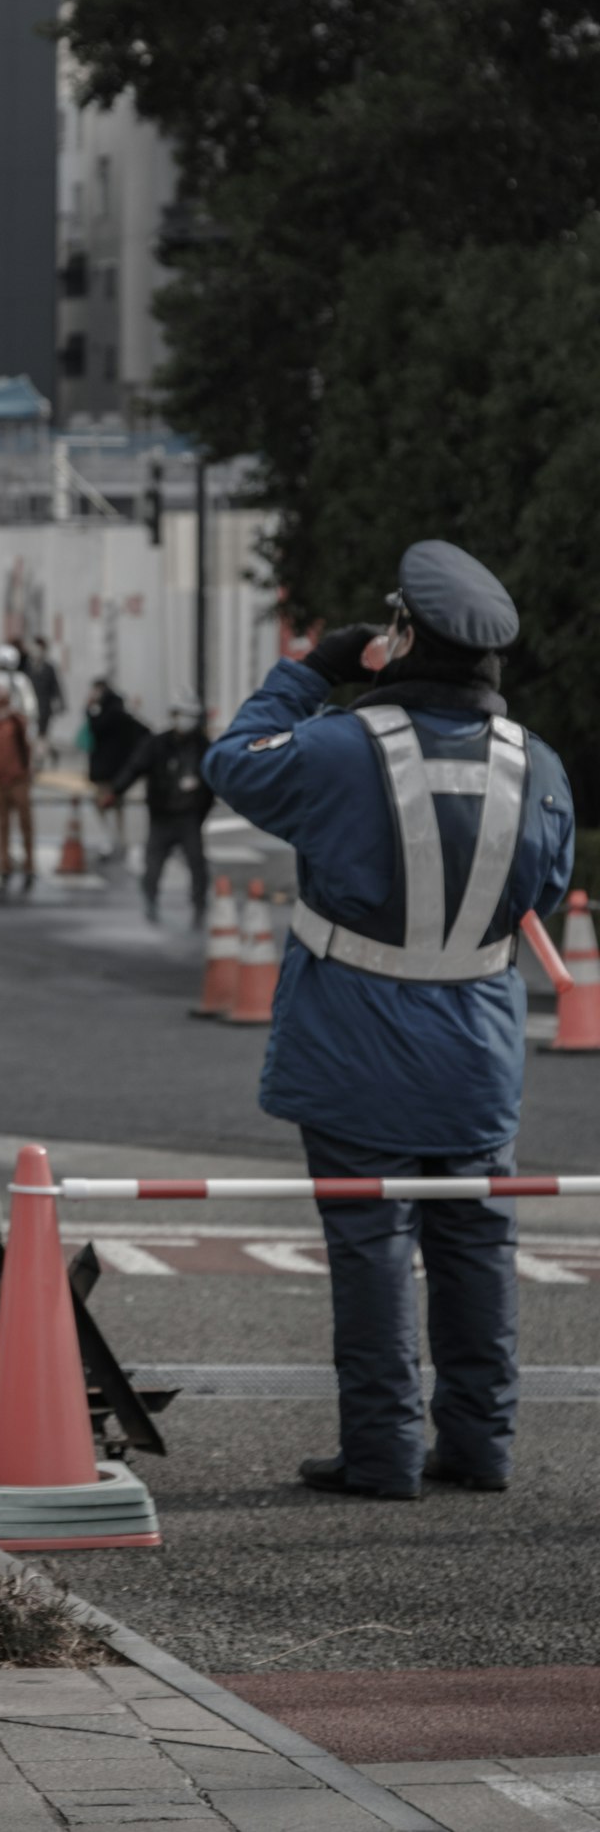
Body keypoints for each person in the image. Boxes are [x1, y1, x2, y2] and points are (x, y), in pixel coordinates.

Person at [204, 541, 574, 1500]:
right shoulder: (538, 765)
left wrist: (315, 668)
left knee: (371, 1248)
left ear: (403, 637)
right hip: (479, 1050)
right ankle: (482, 1443)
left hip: (357, 1044)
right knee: (476, 1242)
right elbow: (546, 886)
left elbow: (232, 762)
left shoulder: (337, 748)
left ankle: (381, 1452)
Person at [102, 693, 213, 925]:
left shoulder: (203, 747)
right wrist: (115, 791)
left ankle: (199, 906)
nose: (187, 721)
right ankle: (150, 902)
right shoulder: (158, 744)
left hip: (189, 815)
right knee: (153, 863)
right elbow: (135, 767)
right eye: (183, 715)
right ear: (173, 716)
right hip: (162, 814)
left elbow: (217, 778)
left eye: (192, 716)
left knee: (196, 863)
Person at [84, 679, 150, 853]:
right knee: (116, 804)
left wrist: (89, 709)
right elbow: (144, 732)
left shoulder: (105, 714)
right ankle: (118, 838)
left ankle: (112, 838)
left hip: (104, 770)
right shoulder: (121, 713)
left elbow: (95, 728)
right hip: (119, 770)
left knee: (103, 802)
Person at [0, 680, 34, 886]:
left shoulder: (15, 723)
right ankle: (4, 864)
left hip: (18, 780)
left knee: (25, 824)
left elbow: (26, 744)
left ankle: (29, 863)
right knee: (2, 826)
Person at [26, 635, 65, 763]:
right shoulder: (28, 666)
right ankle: (48, 753)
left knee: (42, 734)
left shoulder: (49, 668)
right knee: (33, 734)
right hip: (30, 706)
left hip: (44, 706)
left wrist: (59, 703)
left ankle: (39, 760)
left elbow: (56, 686)